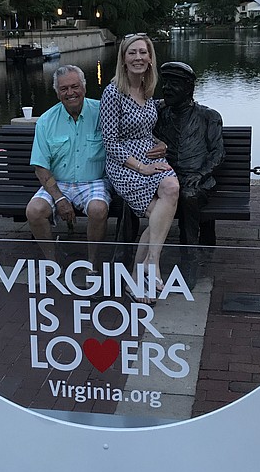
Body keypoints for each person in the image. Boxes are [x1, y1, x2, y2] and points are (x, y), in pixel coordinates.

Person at [100, 34, 179, 299]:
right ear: (123, 59)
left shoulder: (147, 89)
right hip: (124, 163)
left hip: (149, 154)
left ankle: (149, 265)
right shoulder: (113, 93)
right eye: (132, 53)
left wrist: (162, 144)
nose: (138, 58)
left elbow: (149, 126)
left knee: (171, 185)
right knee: (159, 213)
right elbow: (110, 143)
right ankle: (140, 275)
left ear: (150, 58)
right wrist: (141, 168)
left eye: (143, 53)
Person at [26, 64, 111, 266]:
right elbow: (40, 166)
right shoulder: (46, 121)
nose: (70, 93)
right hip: (58, 182)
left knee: (98, 210)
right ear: (57, 93)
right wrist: (59, 198)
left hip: (94, 181)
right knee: (34, 211)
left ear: (84, 87)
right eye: (64, 89)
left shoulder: (103, 112)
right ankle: (51, 262)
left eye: (75, 86)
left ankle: (92, 265)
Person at [151, 61, 225, 254]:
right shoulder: (158, 114)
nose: (166, 88)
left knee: (188, 195)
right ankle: (124, 251)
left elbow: (218, 153)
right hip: (163, 179)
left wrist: (200, 174)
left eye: (173, 83)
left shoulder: (209, 116)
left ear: (188, 88)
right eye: (165, 83)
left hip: (195, 181)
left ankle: (188, 257)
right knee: (129, 193)